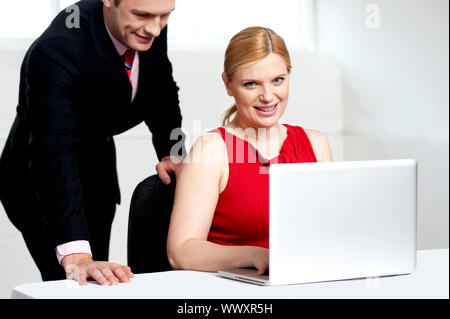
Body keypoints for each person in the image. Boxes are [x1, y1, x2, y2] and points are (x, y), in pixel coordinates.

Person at [0, 0, 184, 285]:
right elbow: (54, 151)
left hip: (97, 165)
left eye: (165, 16)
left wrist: (173, 154)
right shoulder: (57, 49)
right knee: (70, 280)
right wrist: (76, 254)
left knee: (102, 277)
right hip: (40, 177)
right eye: (143, 15)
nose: (155, 28)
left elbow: (161, 87)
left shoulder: (148, 25)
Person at [166, 26, 332, 274]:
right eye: (251, 84)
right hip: (236, 287)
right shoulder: (212, 150)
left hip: (306, 278)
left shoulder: (316, 144)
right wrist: (255, 255)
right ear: (228, 85)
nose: (268, 96)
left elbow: (330, 229)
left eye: (278, 80)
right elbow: (181, 252)